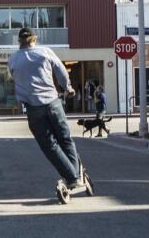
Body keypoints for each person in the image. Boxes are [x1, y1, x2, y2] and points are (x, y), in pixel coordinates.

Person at [8, 27, 89, 201]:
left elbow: (15, 77)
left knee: (49, 145)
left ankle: (73, 177)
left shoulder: (13, 59)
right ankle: (75, 175)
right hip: (53, 102)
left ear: (19, 41)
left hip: (33, 107)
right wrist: (68, 88)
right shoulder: (45, 52)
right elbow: (60, 70)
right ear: (34, 39)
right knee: (65, 139)